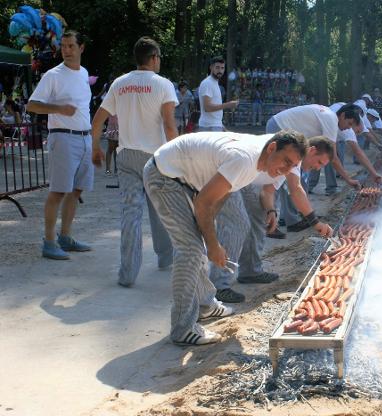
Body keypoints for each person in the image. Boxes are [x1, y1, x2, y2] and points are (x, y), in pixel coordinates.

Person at [143, 130, 307, 345]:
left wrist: (211, 238)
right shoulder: (245, 159)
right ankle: (182, 329)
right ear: (272, 147)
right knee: (191, 249)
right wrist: (213, 245)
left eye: (292, 166)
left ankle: (205, 305)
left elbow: (219, 196)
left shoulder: (258, 161)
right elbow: (203, 202)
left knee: (198, 242)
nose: (285, 171)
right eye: (286, 161)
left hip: (186, 180)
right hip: (165, 176)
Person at [91, 36, 177, 287]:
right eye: (159, 57)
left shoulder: (120, 83)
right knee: (161, 210)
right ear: (153, 58)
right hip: (155, 157)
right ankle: (165, 257)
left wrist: (95, 148)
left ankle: (127, 273)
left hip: (126, 156)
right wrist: (178, 159)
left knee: (130, 213)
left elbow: (97, 121)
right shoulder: (163, 85)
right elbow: (170, 126)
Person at [209, 135, 335, 303]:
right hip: (231, 173)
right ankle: (219, 286)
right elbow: (296, 190)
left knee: (257, 218)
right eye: (319, 162)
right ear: (312, 150)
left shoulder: (291, 163)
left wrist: (271, 210)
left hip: (247, 179)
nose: (318, 168)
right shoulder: (294, 158)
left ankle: (250, 272)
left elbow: (267, 190)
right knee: (238, 224)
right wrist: (315, 222)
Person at [26, 30, 93, 260]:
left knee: (76, 190)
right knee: (57, 191)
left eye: (71, 46)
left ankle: (65, 237)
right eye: (63, 46)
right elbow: (31, 105)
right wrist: (59, 109)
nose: (66, 50)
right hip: (63, 137)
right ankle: (49, 242)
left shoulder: (83, 73)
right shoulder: (53, 75)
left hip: (84, 138)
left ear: (81, 48)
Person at [265, 104, 362, 234]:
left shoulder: (328, 116)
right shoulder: (331, 119)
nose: (346, 129)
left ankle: (287, 218)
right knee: (281, 174)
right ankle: (286, 221)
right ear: (343, 115)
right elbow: (332, 156)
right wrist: (348, 179)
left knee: (292, 178)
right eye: (348, 124)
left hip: (283, 128)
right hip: (280, 127)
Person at [197, 56, 239, 132]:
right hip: (209, 127)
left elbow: (213, 115)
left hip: (214, 126)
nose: (220, 70)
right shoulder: (208, 83)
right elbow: (207, 107)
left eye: (222, 68)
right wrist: (228, 105)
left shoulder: (214, 83)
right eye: (217, 67)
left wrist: (222, 128)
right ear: (211, 68)